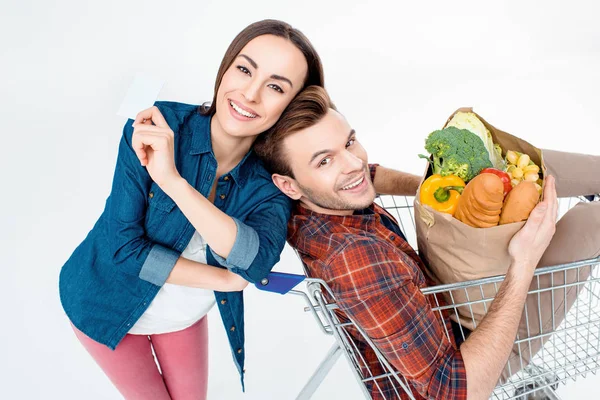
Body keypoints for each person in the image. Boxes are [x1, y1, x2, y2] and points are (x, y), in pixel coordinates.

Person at [59, 19, 325, 400]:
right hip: (103, 302)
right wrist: (227, 280)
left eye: (276, 87)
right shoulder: (158, 126)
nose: (250, 94)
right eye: (245, 69)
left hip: (182, 317)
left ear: (293, 105)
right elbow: (122, 250)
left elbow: (256, 260)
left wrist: (173, 183)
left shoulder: (273, 182)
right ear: (226, 67)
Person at [253, 86, 561, 400]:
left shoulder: (308, 204)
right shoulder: (357, 259)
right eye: (324, 162)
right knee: (588, 225)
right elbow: (454, 394)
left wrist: (442, 189)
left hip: (440, 322)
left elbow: (368, 174)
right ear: (289, 184)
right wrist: (524, 263)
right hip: (466, 367)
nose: (353, 163)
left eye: (349, 142)